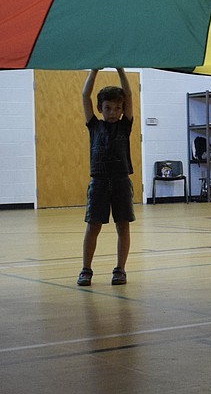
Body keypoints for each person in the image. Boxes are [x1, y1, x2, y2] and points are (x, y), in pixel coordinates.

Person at [77, 68, 134, 287]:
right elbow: (85, 96)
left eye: (117, 108)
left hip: (120, 181)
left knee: (123, 226)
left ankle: (120, 269)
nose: (112, 112)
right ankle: (86, 269)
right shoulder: (94, 126)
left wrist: (120, 69)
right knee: (93, 226)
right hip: (99, 181)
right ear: (100, 108)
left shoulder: (125, 125)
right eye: (108, 108)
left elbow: (128, 94)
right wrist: (93, 71)